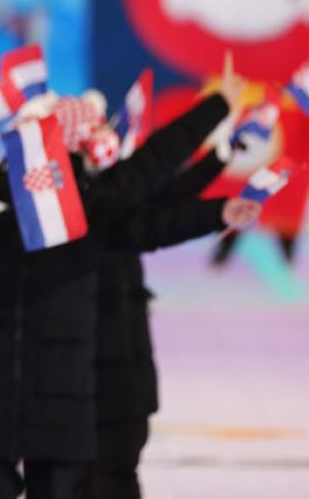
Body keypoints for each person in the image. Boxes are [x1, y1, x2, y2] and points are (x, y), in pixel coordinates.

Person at [0, 85, 247, 499]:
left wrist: (216, 210)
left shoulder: (87, 208)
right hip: (3, 401)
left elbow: (154, 201)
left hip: (66, 400)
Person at [84, 148, 229, 499]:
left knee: (114, 473)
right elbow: (160, 213)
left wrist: (222, 157)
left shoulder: (116, 200)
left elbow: (166, 200)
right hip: (86, 387)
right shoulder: (74, 209)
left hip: (123, 384)